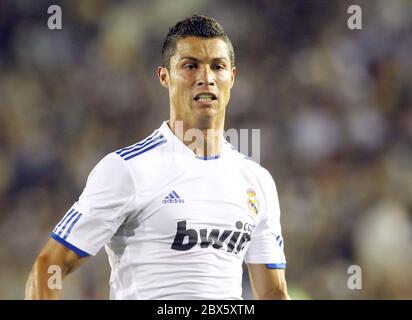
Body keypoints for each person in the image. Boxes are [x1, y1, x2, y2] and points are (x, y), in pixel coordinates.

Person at [25, 14, 290, 300]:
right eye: (191, 66)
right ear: (164, 76)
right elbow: (49, 264)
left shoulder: (257, 181)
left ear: (232, 77)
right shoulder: (127, 170)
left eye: (218, 67)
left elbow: (273, 293)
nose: (206, 78)